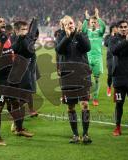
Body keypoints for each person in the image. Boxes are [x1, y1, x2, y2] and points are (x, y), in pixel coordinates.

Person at [0, 16, 34, 146]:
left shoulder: (7, 37)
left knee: (15, 102)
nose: (3, 23)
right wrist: (2, 43)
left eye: (3, 21)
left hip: (11, 76)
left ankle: (19, 129)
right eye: (0, 22)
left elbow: (13, 51)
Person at [55, 15, 92, 144]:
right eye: (67, 24)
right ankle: (75, 135)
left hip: (82, 74)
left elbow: (87, 47)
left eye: (71, 22)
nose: (70, 25)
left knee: (85, 104)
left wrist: (77, 34)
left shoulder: (81, 34)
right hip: (67, 76)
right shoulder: (60, 36)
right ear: (63, 26)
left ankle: (86, 134)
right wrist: (67, 36)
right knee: (70, 107)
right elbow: (59, 50)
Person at [82, 8, 106, 106]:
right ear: (89, 23)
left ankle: (95, 97)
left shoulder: (99, 32)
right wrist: (86, 19)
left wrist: (98, 16)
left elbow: (104, 27)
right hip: (87, 58)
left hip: (97, 58)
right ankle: (88, 94)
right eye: (92, 22)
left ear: (96, 23)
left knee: (96, 79)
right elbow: (83, 30)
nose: (93, 23)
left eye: (94, 22)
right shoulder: (87, 31)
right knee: (87, 78)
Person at [104, 23, 118, 97]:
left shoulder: (119, 36)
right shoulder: (108, 36)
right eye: (114, 28)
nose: (115, 29)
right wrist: (111, 36)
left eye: (116, 28)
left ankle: (116, 89)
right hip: (109, 57)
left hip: (117, 57)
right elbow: (106, 44)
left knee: (117, 74)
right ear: (111, 29)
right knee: (110, 74)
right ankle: (109, 87)